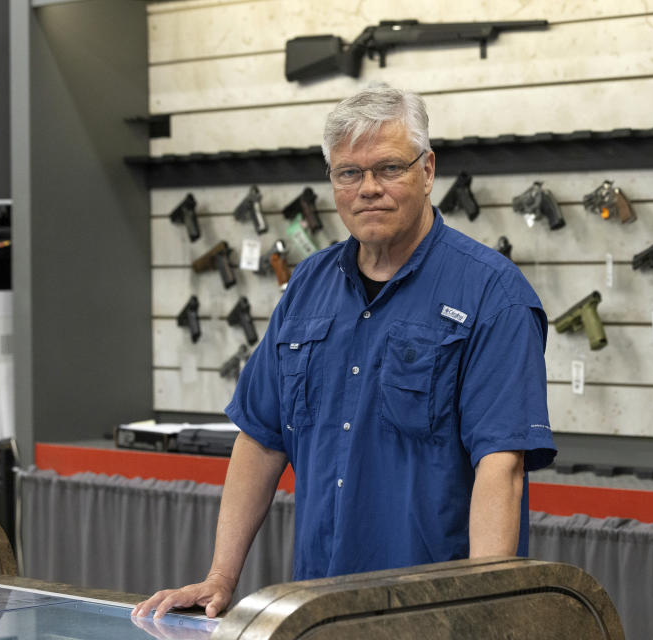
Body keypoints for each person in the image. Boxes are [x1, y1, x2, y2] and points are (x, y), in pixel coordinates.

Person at [132, 85, 556, 619]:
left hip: (432, 614)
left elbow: (502, 466)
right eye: (348, 173)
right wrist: (220, 576)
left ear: (428, 171)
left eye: (389, 169)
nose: (368, 189)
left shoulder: (494, 296)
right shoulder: (309, 283)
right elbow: (261, 439)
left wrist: (480, 610)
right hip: (319, 608)